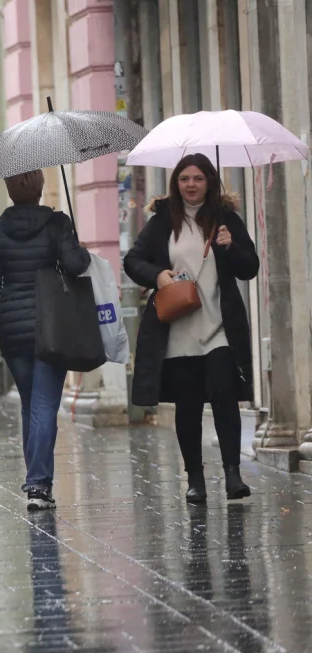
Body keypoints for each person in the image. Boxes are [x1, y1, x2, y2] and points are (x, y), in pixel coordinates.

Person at [123, 153, 258, 504]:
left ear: (209, 182)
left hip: (219, 326)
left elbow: (250, 267)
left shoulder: (226, 219)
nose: (192, 185)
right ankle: (195, 479)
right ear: (176, 183)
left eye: (198, 178)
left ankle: (232, 475)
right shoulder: (163, 219)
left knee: (224, 394)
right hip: (177, 330)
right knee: (188, 405)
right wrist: (158, 275)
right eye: (185, 179)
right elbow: (133, 260)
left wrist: (231, 246)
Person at [0, 170, 90, 511]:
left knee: (30, 405)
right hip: (53, 326)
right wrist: (77, 246)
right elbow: (76, 265)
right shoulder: (57, 224)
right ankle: (38, 484)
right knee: (42, 407)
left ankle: (37, 480)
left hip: (12, 330)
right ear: (40, 189)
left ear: (9, 192)